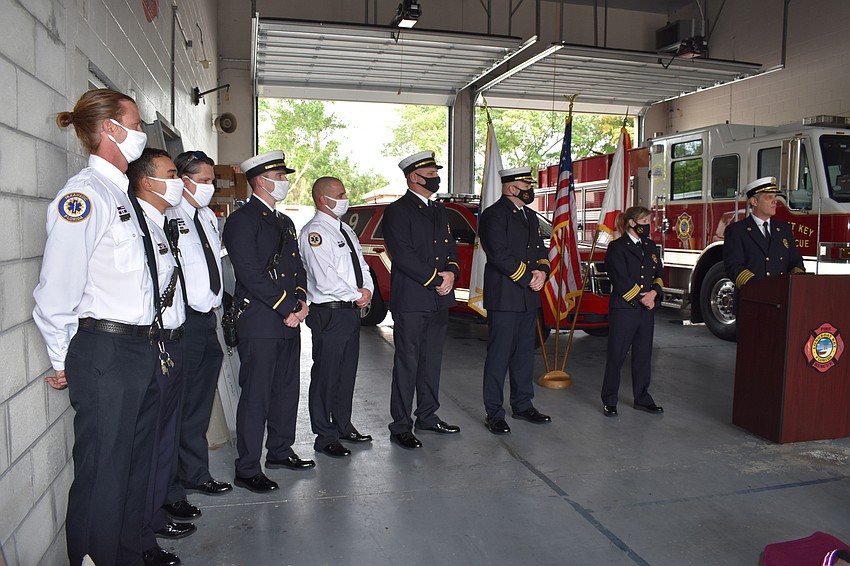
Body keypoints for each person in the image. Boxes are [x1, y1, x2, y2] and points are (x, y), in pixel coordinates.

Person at [32, 89, 159, 565]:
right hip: (104, 353)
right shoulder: (84, 196)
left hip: (137, 349)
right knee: (104, 471)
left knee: (131, 467)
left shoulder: (119, 195)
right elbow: (55, 292)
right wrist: (66, 360)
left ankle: (124, 555)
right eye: (137, 122)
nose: (142, 132)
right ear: (111, 129)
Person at [222, 150, 312, 493]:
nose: (285, 182)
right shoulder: (242, 220)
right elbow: (249, 274)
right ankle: (247, 467)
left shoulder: (284, 221)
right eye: (280, 176)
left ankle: (279, 450)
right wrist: (287, 305)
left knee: (287, 389)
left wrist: (301, 301)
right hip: (261, 320)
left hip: (290, 319)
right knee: (257, 395)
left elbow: (297, 267)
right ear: (261, 180)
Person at [127, 148, 193, 566]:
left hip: (171, 341)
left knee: (164, 440)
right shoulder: (136, 223)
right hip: (149, 345)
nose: (179, 182)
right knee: (145, 448)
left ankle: (153, 517)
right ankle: (139, 535)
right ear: (148, 182)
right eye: (172, 174)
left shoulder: (160, 224)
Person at [161, 151, 231, 523]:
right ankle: (170, 490)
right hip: (181, 324)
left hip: (207, 321)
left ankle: (195, 474)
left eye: (210, 181)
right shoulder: (167, 217)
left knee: (199, 406)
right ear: (183, 179)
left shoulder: (206, 217)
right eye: (202, 180)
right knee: (175, 408)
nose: (208, 187)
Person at [382, 151, 461, 449]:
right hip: (414, 299)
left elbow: (450, 249)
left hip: (440, 299)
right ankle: (401, 425)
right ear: (414, 177)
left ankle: (427, 416)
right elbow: (403, 256)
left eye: (435, 171)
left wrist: (452, 273)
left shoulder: (439, 211)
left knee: (432, 362)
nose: (435, 176)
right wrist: (436, 279)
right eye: (430, 172)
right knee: (408, 363)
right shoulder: (398, 211)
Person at [298, 177, 374, 458]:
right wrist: (356, 293)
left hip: (350, 311)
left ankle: (343, 425)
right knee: (326, 375)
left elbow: (362, 265)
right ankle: (324, 435)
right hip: (329, 313)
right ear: (323, 199)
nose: (345, 198)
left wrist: (367, 290)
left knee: (346, 373)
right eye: (340, 194)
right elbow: (324, 277)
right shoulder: (314, 233)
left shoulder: (345, 230)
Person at [478, 167, 552, 435]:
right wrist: (527, 278)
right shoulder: (493, 215)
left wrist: (543, 272)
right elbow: (499, 254)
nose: (529, 188)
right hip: (505, 296)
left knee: (523, 354)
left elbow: (541, 250)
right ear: (511, 188)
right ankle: (494, 413)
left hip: (528, 297)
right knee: (499, 356)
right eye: (525, 184)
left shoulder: (530, 215)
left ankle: (522, 404)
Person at [600, 206, 665, 417]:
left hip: (646, 309)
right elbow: (619, 278)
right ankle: (609, 400)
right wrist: (642, 297)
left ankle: (642, 398)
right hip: (624, 309)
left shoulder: (650, 246)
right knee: (617, 356)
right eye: (644, 222)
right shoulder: (617, 247)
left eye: (649, 222)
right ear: (631, 223)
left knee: (643, 355)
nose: (648, 226)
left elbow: (658, 274)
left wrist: (654, 294)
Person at [723, 176, 804, 312]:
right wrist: (760, 288)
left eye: (775, 197)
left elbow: (795, 261)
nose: (775, 202)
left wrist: (797, 282)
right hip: (752, 300)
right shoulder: (737, 231)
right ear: (754, 201)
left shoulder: (784, 229)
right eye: (769, 198)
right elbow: (734, 266)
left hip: (781, 300)